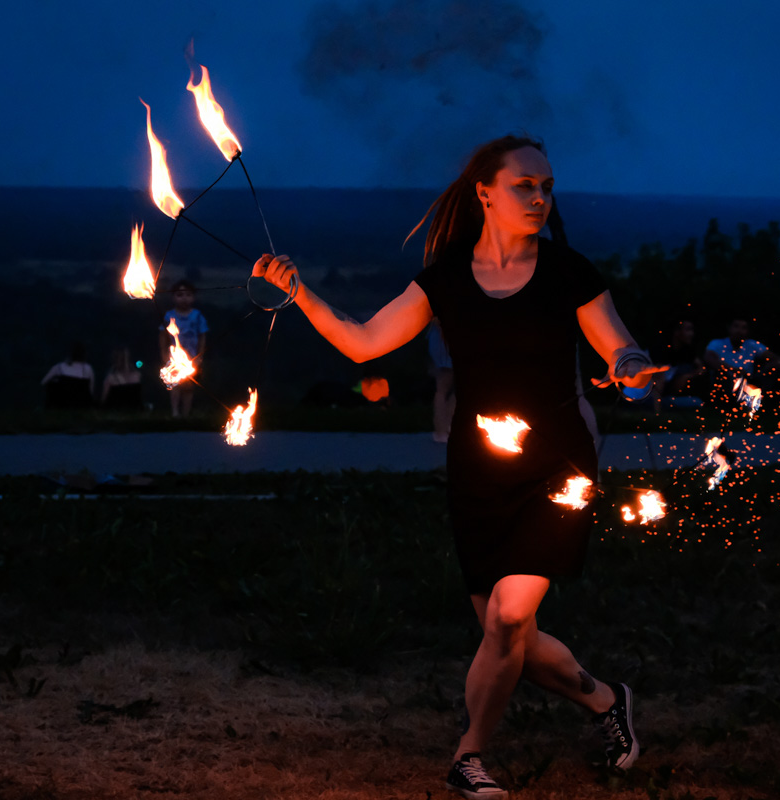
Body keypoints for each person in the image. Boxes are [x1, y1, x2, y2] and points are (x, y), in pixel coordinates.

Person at [254, 135, 664, 799]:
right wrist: (299, 291)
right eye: (524, 185)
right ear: (485, 192)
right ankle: (605, 700)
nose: (538, 197)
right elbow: (363, 344)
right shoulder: (445, 277)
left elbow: (619, 347)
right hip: (478, 467)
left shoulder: (569, 272)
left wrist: (634, 370)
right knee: (509, 634)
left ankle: (468, 759)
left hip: (559, 467)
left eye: (546, 186)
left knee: (507, 619)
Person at [159, 280, 208, 418]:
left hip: (192, 357)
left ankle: (186, 414)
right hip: (173, 357)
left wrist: (200, 356)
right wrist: (163, 352)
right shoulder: (169, 316)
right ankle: (175, 412)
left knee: (189, 386)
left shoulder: (197, 316)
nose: (184, 298)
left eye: (188, 294)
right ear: (173, 297)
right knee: (175, 384)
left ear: (193, 297)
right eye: (180, 295)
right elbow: (162, 335)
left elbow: (202, 336)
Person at [702, 315, 780, 386]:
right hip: (723, 384)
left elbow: (775, 359)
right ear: (729, 328)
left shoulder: (752, 344)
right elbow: (709, 358)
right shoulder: (717, 343)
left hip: (747, 384)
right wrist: (734, 370)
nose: (739, 331)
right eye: (736, 326)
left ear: (747, 331)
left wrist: (763, 372)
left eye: (743, 328)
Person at [41, 342, 95, 409]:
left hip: (62, 403)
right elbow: (90, 390)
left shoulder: (59, 367)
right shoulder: (88, 369)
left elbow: (43, 382)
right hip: (82, 403)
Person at [428, 319, 456, 442]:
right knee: (443, 388)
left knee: (448, 389)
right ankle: (441, 430)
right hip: (444, 340)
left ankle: (446, 428)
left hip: (442, 339)